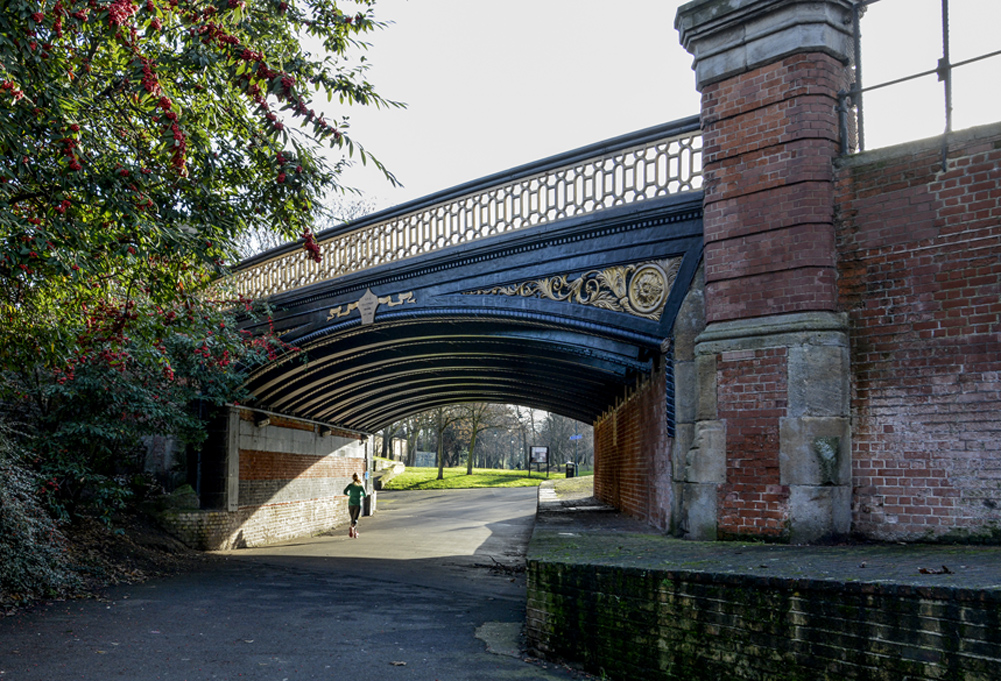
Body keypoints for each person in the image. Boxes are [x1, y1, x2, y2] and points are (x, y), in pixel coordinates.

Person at [343, 472, 366, 538]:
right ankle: (353, 529)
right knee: (355, 518)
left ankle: (354, 531)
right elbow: (365, 494)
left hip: (350, 503)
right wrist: (360, 495)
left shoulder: (350, 485)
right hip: (357, 503)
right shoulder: (360, 486)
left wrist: (350, 495)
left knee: (352, 518)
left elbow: (345, 492)